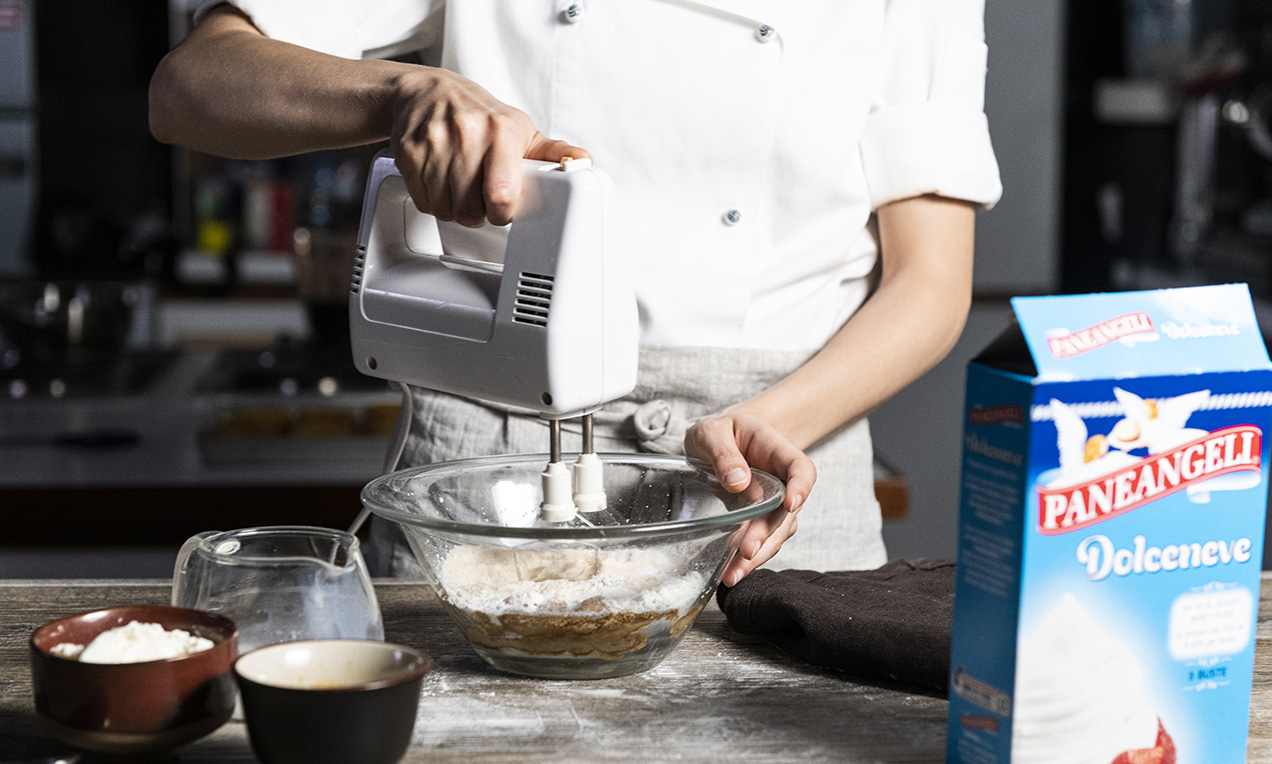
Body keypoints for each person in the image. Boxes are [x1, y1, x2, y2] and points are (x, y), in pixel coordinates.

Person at [150, 0, 1002, 584]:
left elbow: (930, 282)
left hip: (775, 474)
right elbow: (191, 85)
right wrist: (404, 93)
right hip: (492, 470)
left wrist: (767, 428)